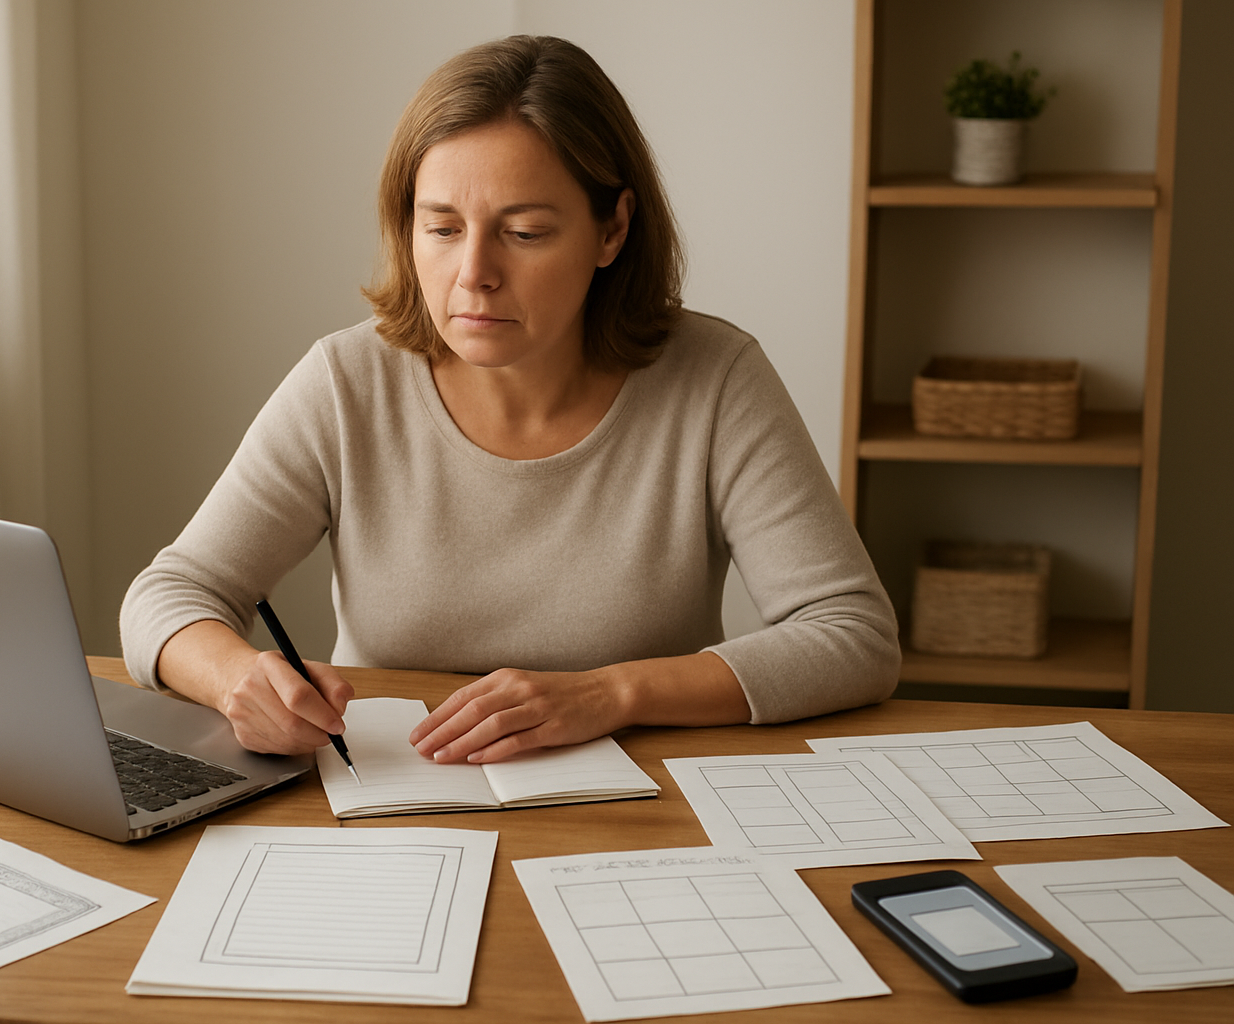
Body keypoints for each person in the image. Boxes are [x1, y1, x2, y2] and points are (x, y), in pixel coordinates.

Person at [120, 34, 899, 767]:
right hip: (391, 799)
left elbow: (852, 634)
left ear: (612, 230)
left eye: (524, 232)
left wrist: (613, 692)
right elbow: (167, 595)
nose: (474, 273)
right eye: (443, 228)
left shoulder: (716, 378)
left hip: (643, 812)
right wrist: (237, 678)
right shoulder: (346, 382)